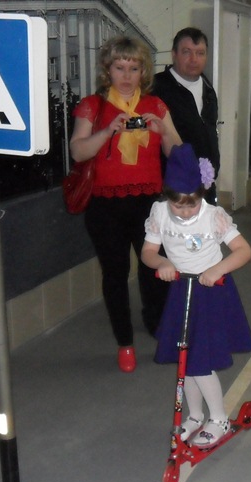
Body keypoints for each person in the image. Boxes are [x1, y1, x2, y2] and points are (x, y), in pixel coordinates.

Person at [70, 35, 182, 373]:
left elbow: (178, 155)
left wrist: (164, 131)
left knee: (155, 271)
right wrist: (107, 132)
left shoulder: (156, 105)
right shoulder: (93, 106)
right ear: (108, 70)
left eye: (134, 68)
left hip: (149, 204)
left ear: (143, 71)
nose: (127, 76)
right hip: (105, 206)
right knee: (115, 274)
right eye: (120, 68)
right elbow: (78, 152)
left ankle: (161, 329)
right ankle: (125, 343)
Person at [141, 144, 251, 446]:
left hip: (210, 292)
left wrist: (218, 269)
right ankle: (194, 415)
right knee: (185, 357)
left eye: (190, 205)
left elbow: (244, 251)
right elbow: (148, 252)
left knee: (199, 360)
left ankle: (218, 418)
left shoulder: (213, 216)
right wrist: (162, 263)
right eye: (177, 206)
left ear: (201, 194)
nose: (184, 211)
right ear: (167, 197)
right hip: (181, 290)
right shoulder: (159, 213)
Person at [152, 27, 220, 206]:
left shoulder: (208, 89)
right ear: (174, 54)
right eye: (186, 52)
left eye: (200, 53)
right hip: (173, 189)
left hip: (205, 186)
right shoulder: (156, 88)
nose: (194, 59)